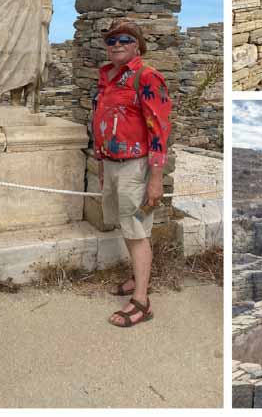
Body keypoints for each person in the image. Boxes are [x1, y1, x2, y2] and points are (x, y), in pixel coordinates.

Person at [92, 20, 172, 328]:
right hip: (113, 166)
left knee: (137, 230)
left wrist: (155, 178)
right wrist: (101, 165)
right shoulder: (108, 78)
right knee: (127, 227)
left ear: (137, 45)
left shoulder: (147, 77)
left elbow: (159, 129)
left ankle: (141, 301)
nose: (116, 44)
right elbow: (101, 123)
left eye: (124, 39)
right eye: (111, 40)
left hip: (135, 169)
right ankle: (139, 278)